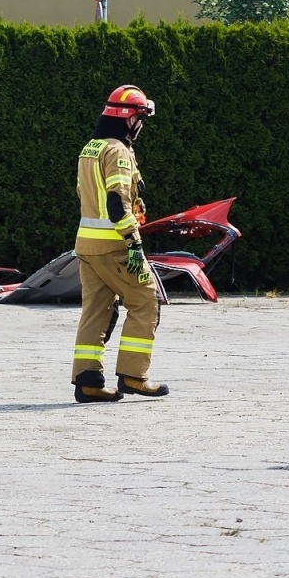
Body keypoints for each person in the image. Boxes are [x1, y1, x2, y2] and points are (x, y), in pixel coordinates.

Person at [72, 85, 168, 401]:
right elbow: (116, 203)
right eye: (140, 117)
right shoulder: (117, 151)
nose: (142, 125)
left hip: (86, 246)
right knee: (146, 301)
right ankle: (134, 375)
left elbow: (84, 195)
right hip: (115, 245)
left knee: (96, 310)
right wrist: (134, 243)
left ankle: (88, 381)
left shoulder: (90, 148)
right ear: (129, 119)